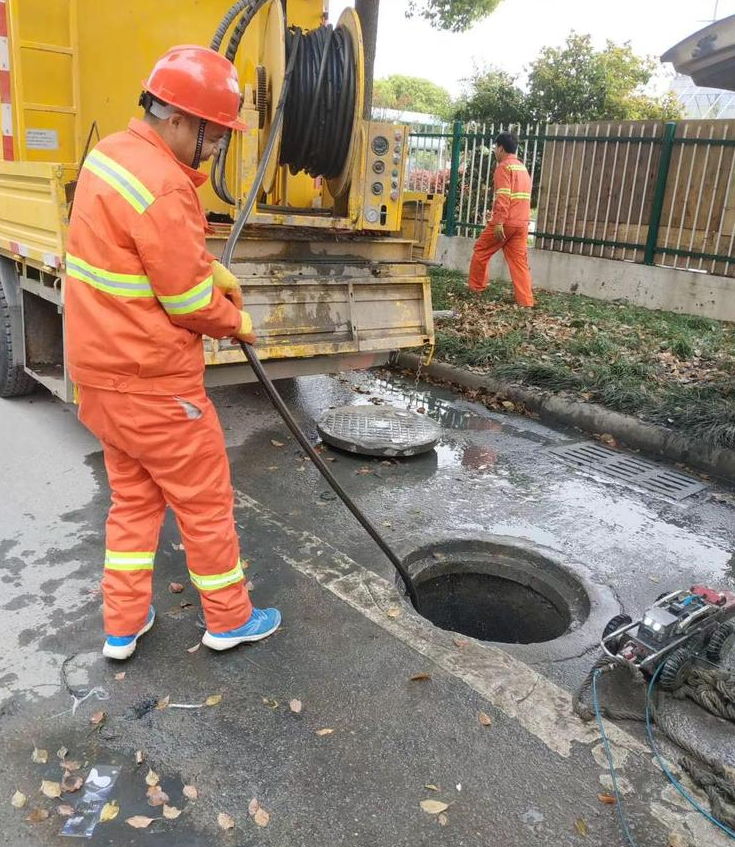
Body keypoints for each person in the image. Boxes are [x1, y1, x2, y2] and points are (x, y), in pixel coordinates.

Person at [66, 45, 281, 660]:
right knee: (206, 505)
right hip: (157, 388)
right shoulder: (164, 186)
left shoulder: (110, 157)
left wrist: (209, 266)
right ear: (182, 120)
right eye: (214, 135)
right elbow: (186, 303)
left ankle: (121, 626)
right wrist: (235, 320)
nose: (215, 149)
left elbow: (135, 256)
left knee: (133, 505)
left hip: (102, 383)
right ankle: (230, 618)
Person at [468, 131, 534, 308]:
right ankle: (526, 301)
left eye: (495, 148)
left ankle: (476, 289)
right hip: (521, 223)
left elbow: (503, 198)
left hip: (505, 223)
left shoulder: (503, 167)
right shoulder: (522, 168)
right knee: (519, 262)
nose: (495, 151)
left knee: (481, 250)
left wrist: (498, 222)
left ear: (501, 148)